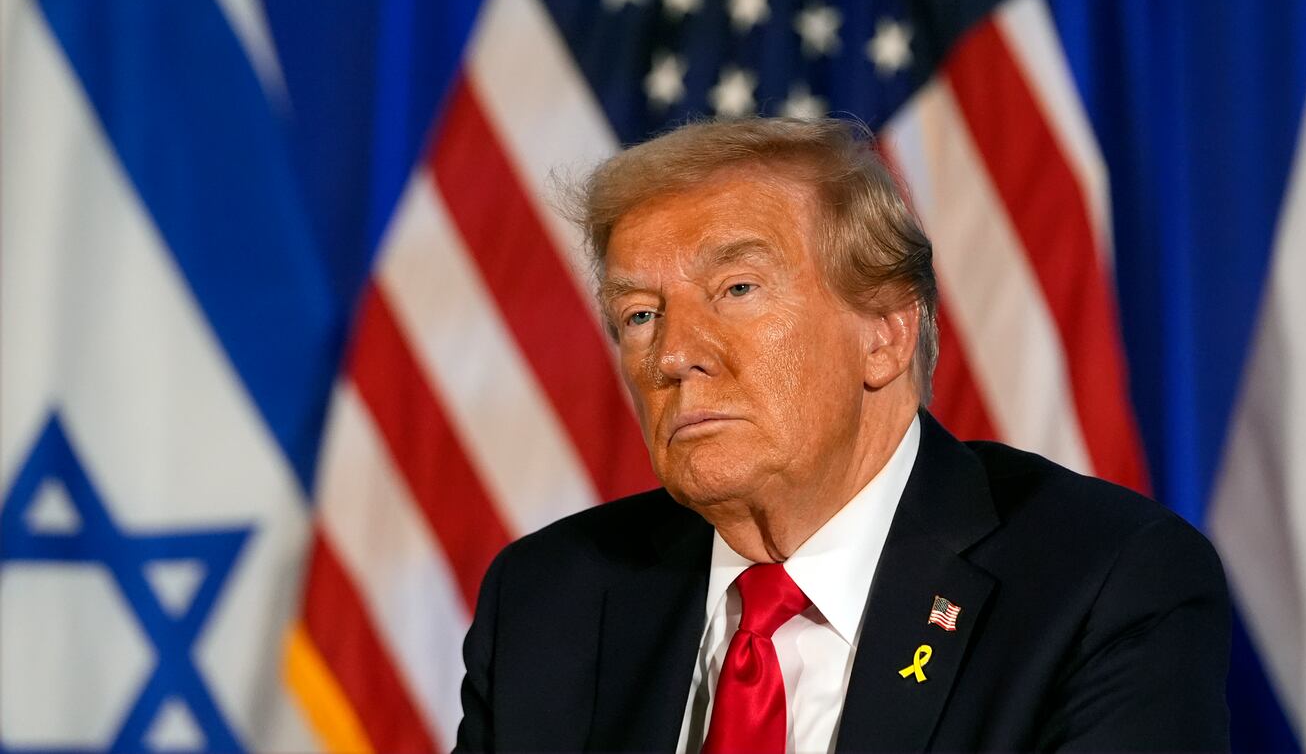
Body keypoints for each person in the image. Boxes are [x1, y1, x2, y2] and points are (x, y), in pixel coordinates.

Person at [455, 117, 1230, 753]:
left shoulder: (1102, 586)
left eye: (737, 288)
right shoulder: (546, 602)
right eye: (639, 315)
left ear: (886, 335)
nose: (673, 354)